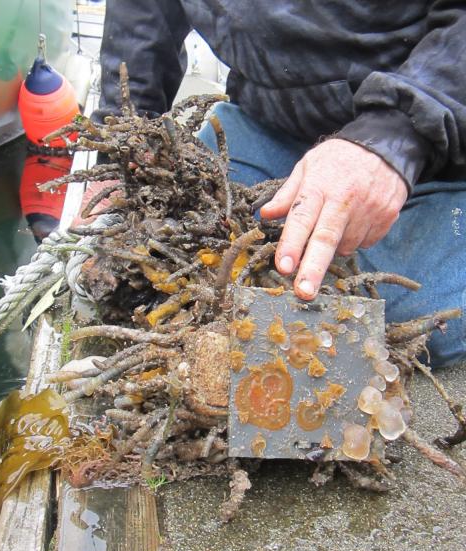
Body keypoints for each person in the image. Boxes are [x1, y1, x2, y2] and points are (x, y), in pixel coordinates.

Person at [94, 0, 466, 366]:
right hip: (269, 117)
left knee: (398, 321)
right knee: (157, 262)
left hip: (439, 139)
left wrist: (394, 136)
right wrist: (122, 151)